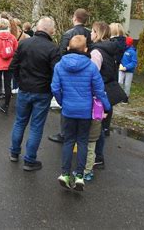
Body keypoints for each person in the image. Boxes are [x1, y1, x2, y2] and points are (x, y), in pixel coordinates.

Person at [51, 36, 111, 191]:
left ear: (69, 48)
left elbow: (55, 88)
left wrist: (63, 102)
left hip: (68, 110)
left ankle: (64, 174)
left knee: (68, 141)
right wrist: (107, 106)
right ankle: (79, 176)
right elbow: (99, 90)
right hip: (85, 111)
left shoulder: (59, 66)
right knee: (83, 142)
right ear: (85, 49)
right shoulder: (91, 67)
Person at [8, 17, 60, 171]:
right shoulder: (53, 49)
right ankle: (30, 160)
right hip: (42, 92)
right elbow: (56, 72)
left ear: (38, 28)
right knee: (36, 127)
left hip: (24, 89)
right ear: (50, 30)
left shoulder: (23, 44)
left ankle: (14, 153)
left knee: (20, 122)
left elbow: (13, 67)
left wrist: (20, 81)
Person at [49, 8, 92, 143]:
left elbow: (61, 54)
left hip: (68, 72)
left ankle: (65, 134)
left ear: (74, 18)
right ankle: (81, 133)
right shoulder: (90, 34)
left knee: (67, 102)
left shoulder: (68, 34)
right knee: (84, 98)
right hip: (86, 70)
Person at [90, 21, 119, 169]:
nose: (90, 34)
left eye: (92, 31)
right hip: (107, 90)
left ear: (97, 33)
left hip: (99, 93)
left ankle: (97, 157)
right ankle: (96, 155)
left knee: (97, 126)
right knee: (100, 125)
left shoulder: (96, 52)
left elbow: (93, 74)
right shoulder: (110, 49)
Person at [119, 36, 138, 101]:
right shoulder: (122, 50)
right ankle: (120, 96)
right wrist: (120, 64)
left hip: (129, 71)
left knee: (127, 85)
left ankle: (125, 98)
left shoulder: (132, 52)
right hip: (121, 69)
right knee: (119, 82)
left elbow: (134, 62)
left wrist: (126, 67)